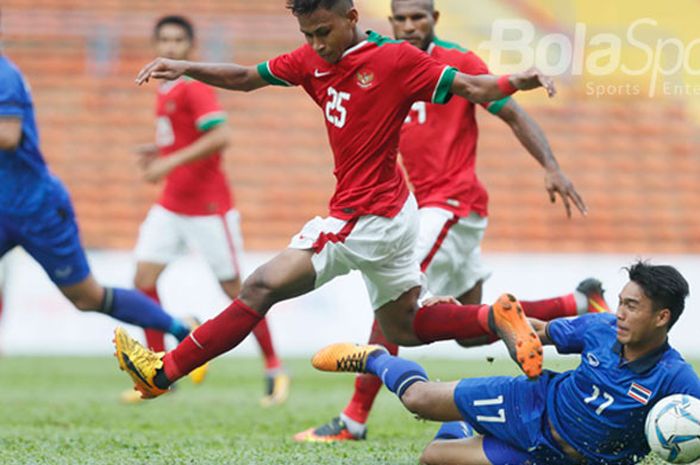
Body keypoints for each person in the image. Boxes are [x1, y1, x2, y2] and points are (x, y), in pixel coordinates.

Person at [113, 0, 561, 400]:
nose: (316, 45)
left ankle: (163, 371)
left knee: (261, 286)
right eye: (307, 35)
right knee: (403, 326)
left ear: (351, 17)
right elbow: (247, 77)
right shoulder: (311, 58)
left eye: (323, 32)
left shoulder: (396, 59)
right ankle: (493, 318)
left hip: (364, 216)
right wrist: (187, 66)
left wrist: (516, 79)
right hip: (394, 211)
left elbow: (475, 88)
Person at [294, 0, 600, 441]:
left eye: (418, 17)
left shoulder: (455, 62)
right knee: (474, 333)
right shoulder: (385, 63)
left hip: (449, 205)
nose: (408, 25)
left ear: (434, 19)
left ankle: (353, 419)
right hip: (436, 208)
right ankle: (577, 304)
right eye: (400, 18)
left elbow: (510, 109)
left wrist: (551, 165)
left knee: (393, 302)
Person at [313, 261, 700, 465]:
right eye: (619, 302)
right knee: (417, 400)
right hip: (530, 404)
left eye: (631, 307)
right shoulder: (600, 328)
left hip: (549, 458)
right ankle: (377, 358)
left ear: (661, 317)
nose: (619, 314)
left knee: (434, 458)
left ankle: (464, 421)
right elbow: (538, 330)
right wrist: (468, 314)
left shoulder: (675, 377)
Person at [0, 42, 201, 364]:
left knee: (86, 297)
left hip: (36, 210)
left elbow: (8, 136)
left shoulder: (4, 74)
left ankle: (179, 326)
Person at [127, 15, 288, 406]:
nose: (169, 46)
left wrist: (168, 163)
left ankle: (273, 368)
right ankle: (159, 369)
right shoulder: (165, 88)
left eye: (178, 40)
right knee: (143, 279)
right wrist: (161, 152)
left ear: (191, 48)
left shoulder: (194, 88)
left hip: (208, 208)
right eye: (163, 39)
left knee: (239, 291)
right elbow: (186, 138)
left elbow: (220, 135)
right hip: (172, 204)